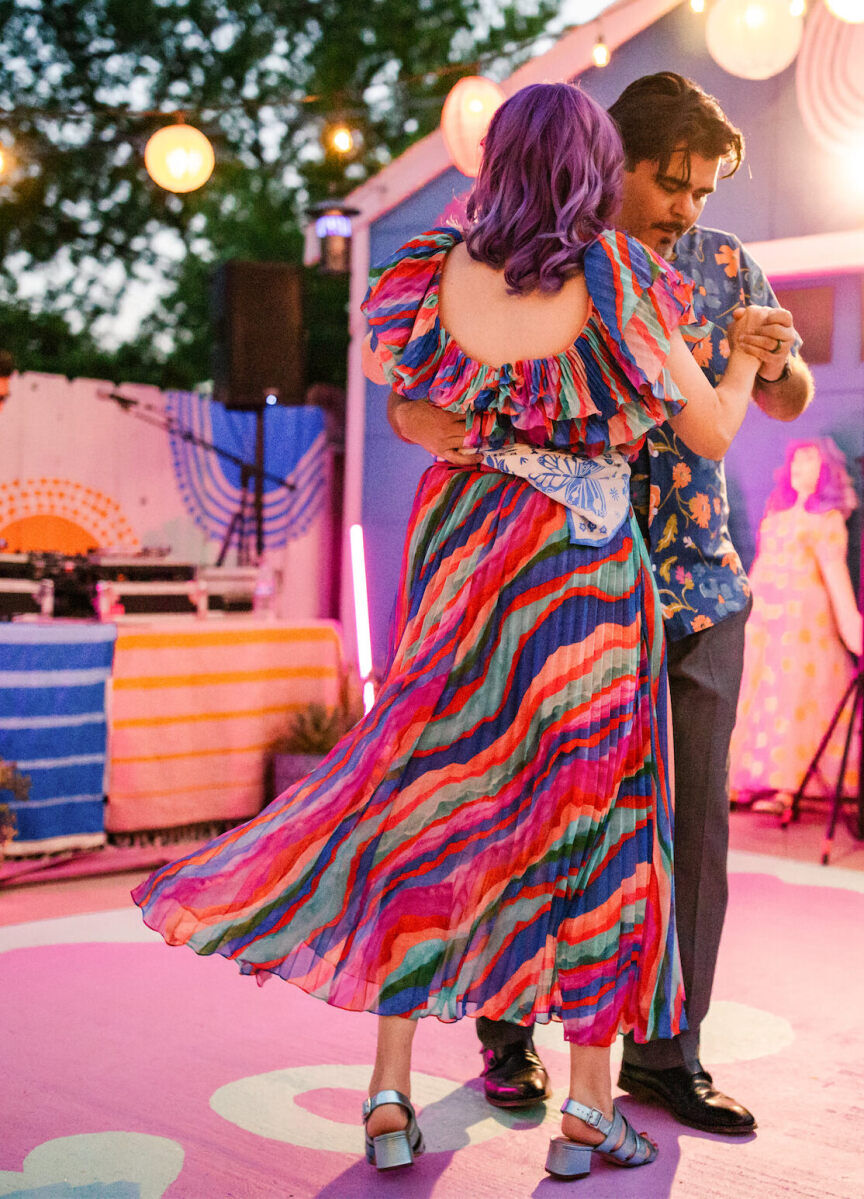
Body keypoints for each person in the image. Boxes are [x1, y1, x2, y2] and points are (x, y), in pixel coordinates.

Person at [134, 82, 768, 1178]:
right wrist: (748, 357)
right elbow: (705, 430)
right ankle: (586, 1111)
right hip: (581, 571)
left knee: (431, 803)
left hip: (469, 554)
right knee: (600, 820)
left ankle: (388, 1094)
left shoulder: (431, 273)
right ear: (589, 166)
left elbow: (415, 408)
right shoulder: (622, 277)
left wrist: (486, 439)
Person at [390, 72, 813, 1135]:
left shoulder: (720, 265)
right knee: (532, 809)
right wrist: (416, 418)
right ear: (607, 161)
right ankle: (507, 1037)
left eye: (704, 189)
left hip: (698, 584)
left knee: (685, 835)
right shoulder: (536, 265)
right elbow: (428, 390)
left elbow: (777, 400)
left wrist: (777, 355)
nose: (689, 206)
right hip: (570, 588)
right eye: (671, 182)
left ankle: (666, 1059)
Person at [730, 439, 861, 815]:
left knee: (793, 696)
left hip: (803, 620)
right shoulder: (776, 512)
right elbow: (759, 566)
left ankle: (789, 786)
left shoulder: (827, 519)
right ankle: (749, 780)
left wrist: (853, 627)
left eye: (811, 461)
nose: (802, 467)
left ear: (826, 471)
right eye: (797, 461)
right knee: (758, 693)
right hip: (766, 618)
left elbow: (835, 574)